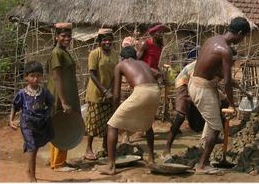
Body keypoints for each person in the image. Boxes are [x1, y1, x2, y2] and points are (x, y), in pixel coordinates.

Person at [187, 16, 251, 174]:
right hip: (202, 87)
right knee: (216, 127)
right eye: (243, 37)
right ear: (240, 33)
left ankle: (209, 154)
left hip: (198, 84)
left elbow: (215, 70)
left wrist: (237, 93)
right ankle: (202, 165)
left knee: (215, 119)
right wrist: (232, 104)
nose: (242, 40)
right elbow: (227, 81)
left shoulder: (213, 40)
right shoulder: (225, 51)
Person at [100, 46, 160, 176]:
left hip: (141, 91)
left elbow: (116, 95)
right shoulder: (143, 63)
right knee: (148, 125)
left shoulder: (120, 65)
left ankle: (111, 166)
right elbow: (158, 73)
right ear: (135, 56)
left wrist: (115, 111)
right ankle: (151, 159)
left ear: (122, 57)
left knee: (112, 125)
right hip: (155, 91)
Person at [10, 61, 55, 182]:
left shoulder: (44, 92)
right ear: (26, 77)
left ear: (41, 76)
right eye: (32, 76)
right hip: (27, 124)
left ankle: (28, 170)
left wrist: (47, 113)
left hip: (39, 123)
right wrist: (11, 120)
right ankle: (32, 177)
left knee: (35, 149)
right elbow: (15, 106)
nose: (35, 79)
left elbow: (51, 103)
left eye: (38, 76)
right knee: (32, 147)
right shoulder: (22, 94)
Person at [46, 22, 81, 171]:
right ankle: (59, 163)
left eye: (69, 36)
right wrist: (64, 101)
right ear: (56, 37)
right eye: (63, 36)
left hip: (65, 93)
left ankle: (56, 160)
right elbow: (57, 78)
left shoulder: (63, 52)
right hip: (60, 95)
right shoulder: (57, 53)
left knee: (58, 126)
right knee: (63, 125)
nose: (67, 38)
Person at [83, 28, 118, 161]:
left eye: (109, 39)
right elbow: (92, 74)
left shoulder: (115, 55)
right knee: (93, 122)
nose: (107, 42)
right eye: (104, 40)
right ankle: (88, 149)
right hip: (96, 93)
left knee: (108, 122)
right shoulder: (94, 54)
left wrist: (110, 91)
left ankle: (104, 147)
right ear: (99, 41)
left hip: (109, 94)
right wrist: (104, 90)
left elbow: (116, 74)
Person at [162, 59, 197, 162]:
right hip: (184, 82)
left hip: (193, 82)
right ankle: (166, 150)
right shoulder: (210, 61)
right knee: (180, 115)